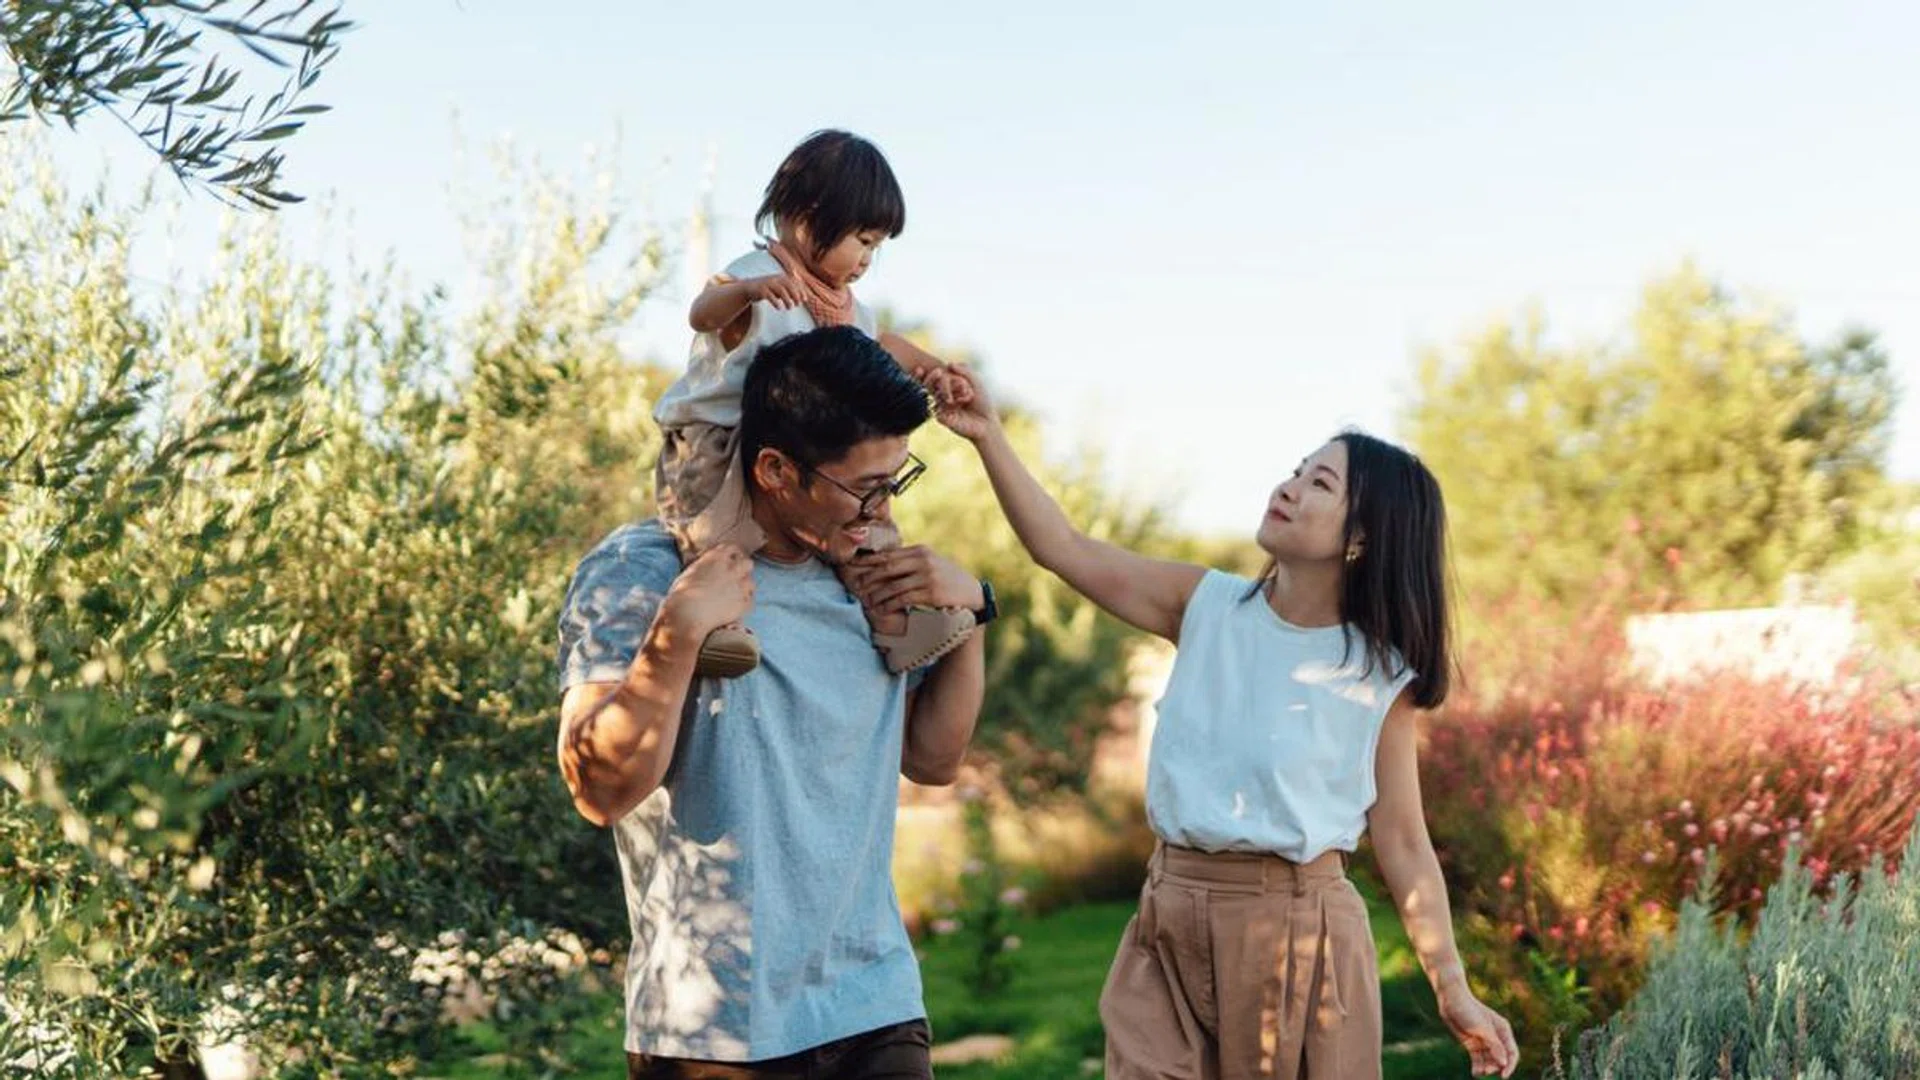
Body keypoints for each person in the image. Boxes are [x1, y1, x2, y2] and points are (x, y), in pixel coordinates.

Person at [925, 364, 1520, 1079]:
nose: (1288, 487)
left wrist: (1451, 984)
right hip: (1170, 919)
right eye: (1297, 471)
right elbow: (1065, 549)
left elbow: (1401, 838)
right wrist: (988, 437)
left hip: (1301, 936)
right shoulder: (1204, 605)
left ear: (1362, 537)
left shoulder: (1377, 674)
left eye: (1319, 485)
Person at [557, 327, 993, 1079]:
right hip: (714, 1028)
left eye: (897, 480)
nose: (882, 509)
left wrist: (971, 618)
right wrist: (680, 629)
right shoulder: (643, 568)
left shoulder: (873, 578)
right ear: (775, 470)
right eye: (864, 487)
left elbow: (933, 760)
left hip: (874, 1003)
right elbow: (599, 789)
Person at [651, 128, 973, 679]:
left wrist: (933, 369)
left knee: (871, 525)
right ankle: (713, 627)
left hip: (805, 450)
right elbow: (702, 313)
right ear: (808, 214)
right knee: (711, 532)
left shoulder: (846, 306)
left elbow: (883, 344)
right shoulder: (759, 276)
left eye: (876, 246)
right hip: (716, 435)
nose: (868, 258)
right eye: (862, 240)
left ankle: (894, 624)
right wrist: (747, 295)